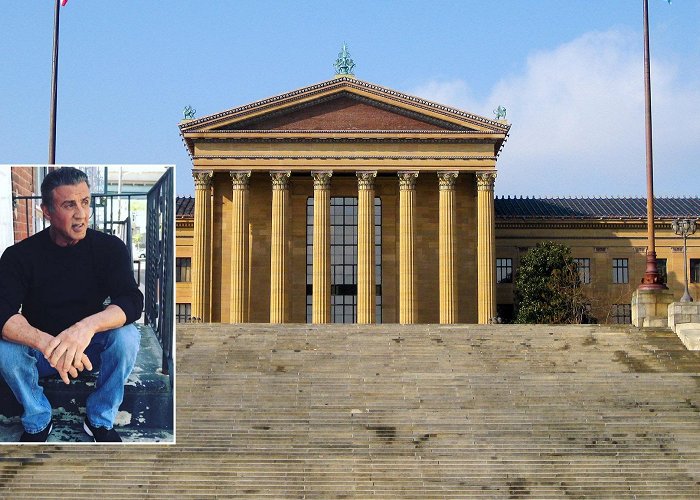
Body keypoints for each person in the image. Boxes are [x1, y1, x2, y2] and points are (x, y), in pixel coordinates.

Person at [0, 167, 143, 442]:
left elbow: (131, 300)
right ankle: (38, 419)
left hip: (88, 350)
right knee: (5, 349)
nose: (81, 214)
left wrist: (85, 327)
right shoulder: (19, 256)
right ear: (47, 211)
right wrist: (46, 343)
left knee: (127, 336)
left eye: (85, 202)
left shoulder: (109, 248)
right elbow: (2, 310)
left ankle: (100, 420)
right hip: (41, 353)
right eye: (69, 205)